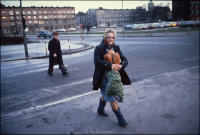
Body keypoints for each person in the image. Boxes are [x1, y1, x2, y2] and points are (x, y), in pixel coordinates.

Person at [92, 29, 131, 127]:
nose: (111, 39)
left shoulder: (116, 48)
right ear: (105, 37)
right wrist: (110, 65)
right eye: (108, 37)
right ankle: (121, 120)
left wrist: (121, 65)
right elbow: (97, 61)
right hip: (103, 78)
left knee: (106, 96)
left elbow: (125, 59)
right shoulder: (99, 48)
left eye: (112, 37)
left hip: (114, 78)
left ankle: (100, 110)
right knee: (112, 99)